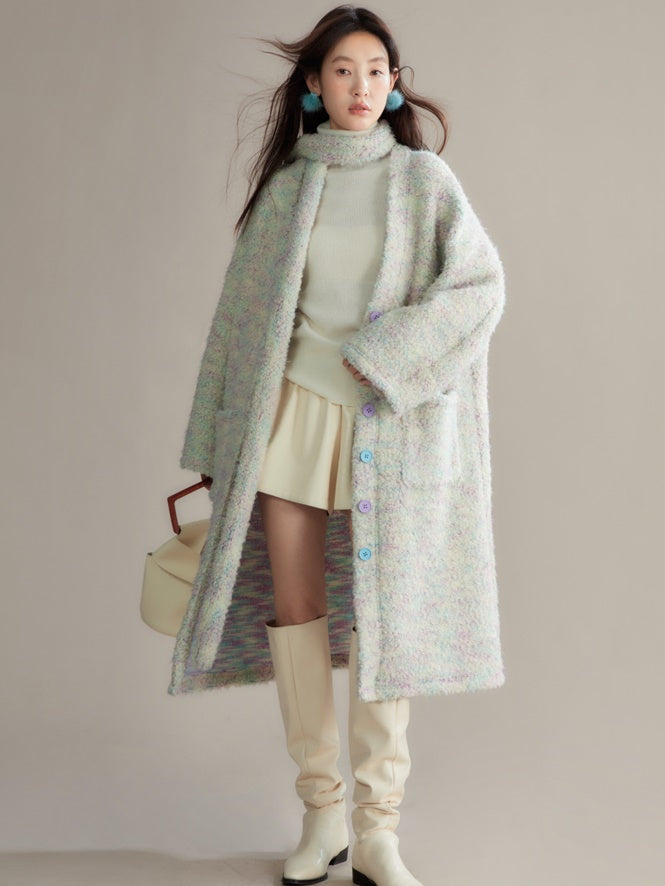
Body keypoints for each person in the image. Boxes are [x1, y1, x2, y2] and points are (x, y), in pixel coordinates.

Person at [170, 6, 507, 886]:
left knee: (383, 616)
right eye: (344, 70)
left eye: (376, 70)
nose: (362, 85)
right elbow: (237, 325)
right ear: (315, 87)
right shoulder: (288, 188)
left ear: (394, 85)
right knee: (297, 615)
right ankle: (321, 814)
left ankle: (379, 828)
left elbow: (478, 288)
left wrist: (385, 357)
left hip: (385, 424)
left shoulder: (424, 181)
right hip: (289, 420)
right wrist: (216, 442)